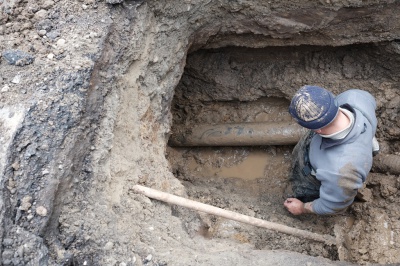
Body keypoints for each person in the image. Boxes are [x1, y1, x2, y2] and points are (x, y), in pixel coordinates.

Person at [283, 85, 378, 215]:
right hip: (358, 142)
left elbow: (333, 205)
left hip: (315, 176)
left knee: (304, 189)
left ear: (317, 130)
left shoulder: (340, 170)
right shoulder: (355, 96)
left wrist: (302, 207)